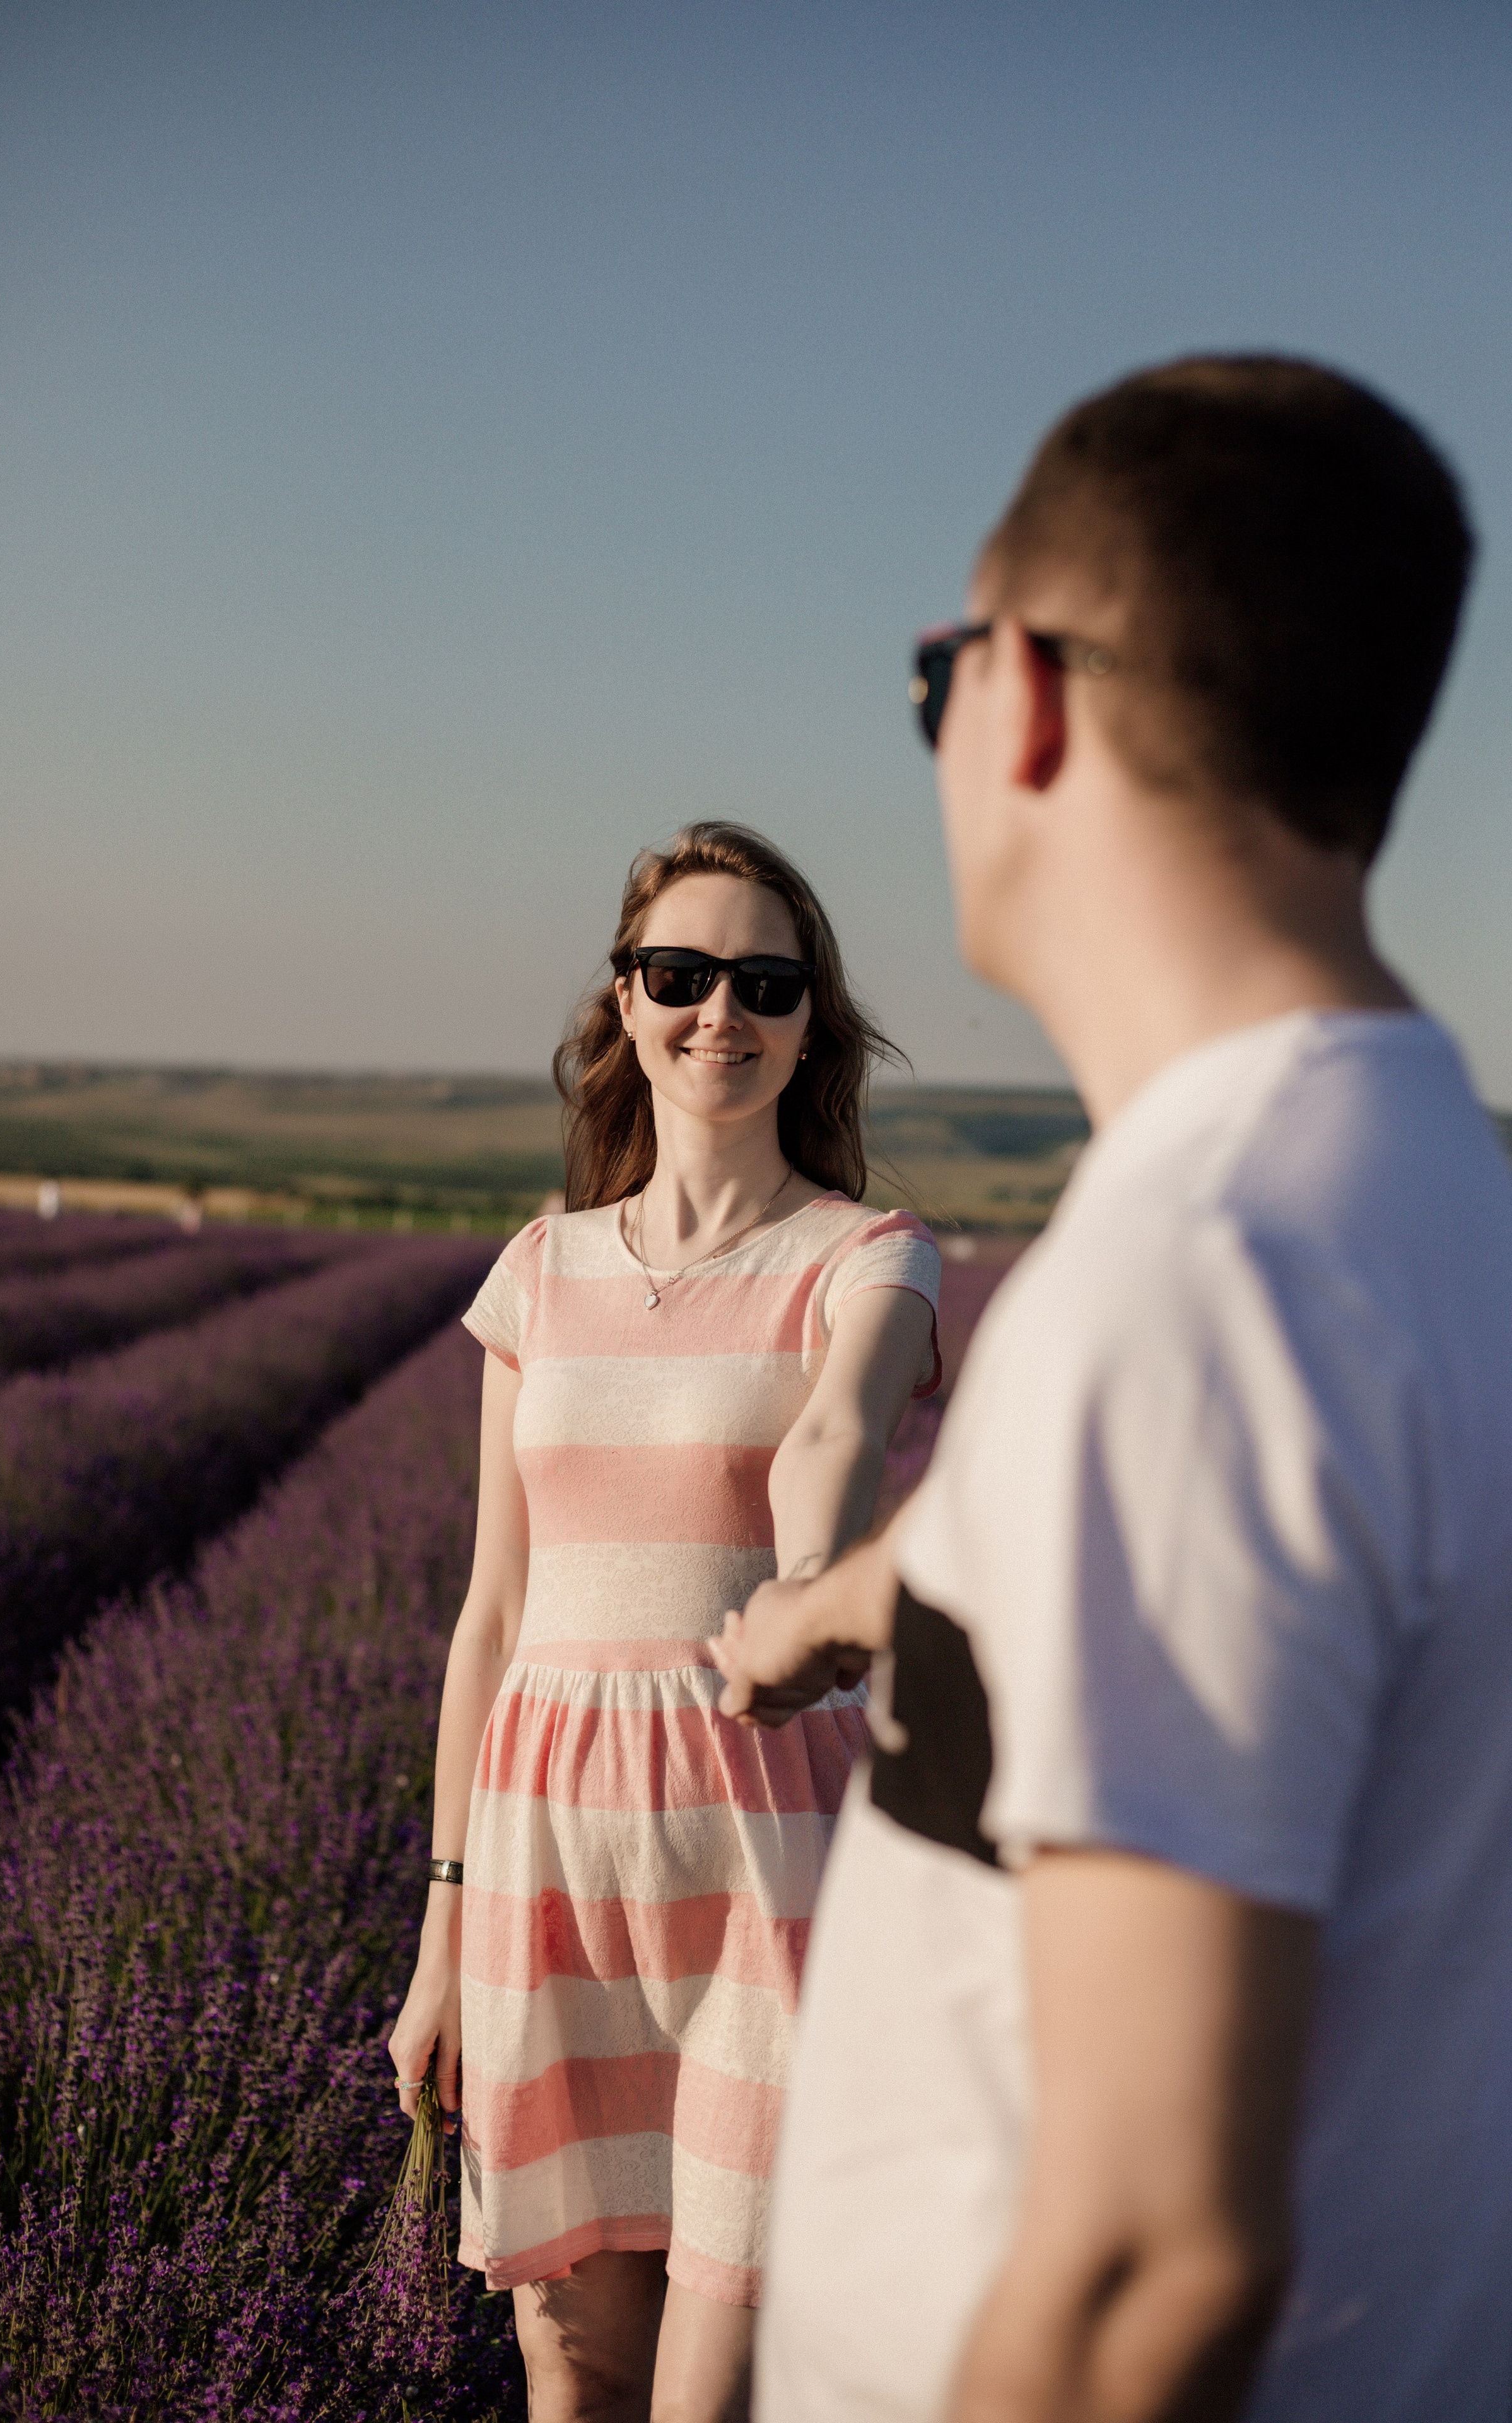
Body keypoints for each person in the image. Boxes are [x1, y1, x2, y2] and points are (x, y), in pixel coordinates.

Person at [712, 358, 1512, 2421]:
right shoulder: (1432, 1207)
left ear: (1031, 694)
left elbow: (1156, 2268)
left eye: (935, 675)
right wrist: (843, 1603)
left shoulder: (1197, 1291)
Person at [388, 821, 941, 2423]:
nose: (721, 1014)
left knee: (714, 2390)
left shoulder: (862, 1257)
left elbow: (838, 1427)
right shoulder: (537, 1274)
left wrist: (799, 1588)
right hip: (543, 1874)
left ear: (808, 1024)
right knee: (575, 2382)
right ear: (622, 1005)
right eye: (679, 975)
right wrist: (440, 1934)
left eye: (764, 983)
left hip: (766, 1863)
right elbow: (491, 1616)